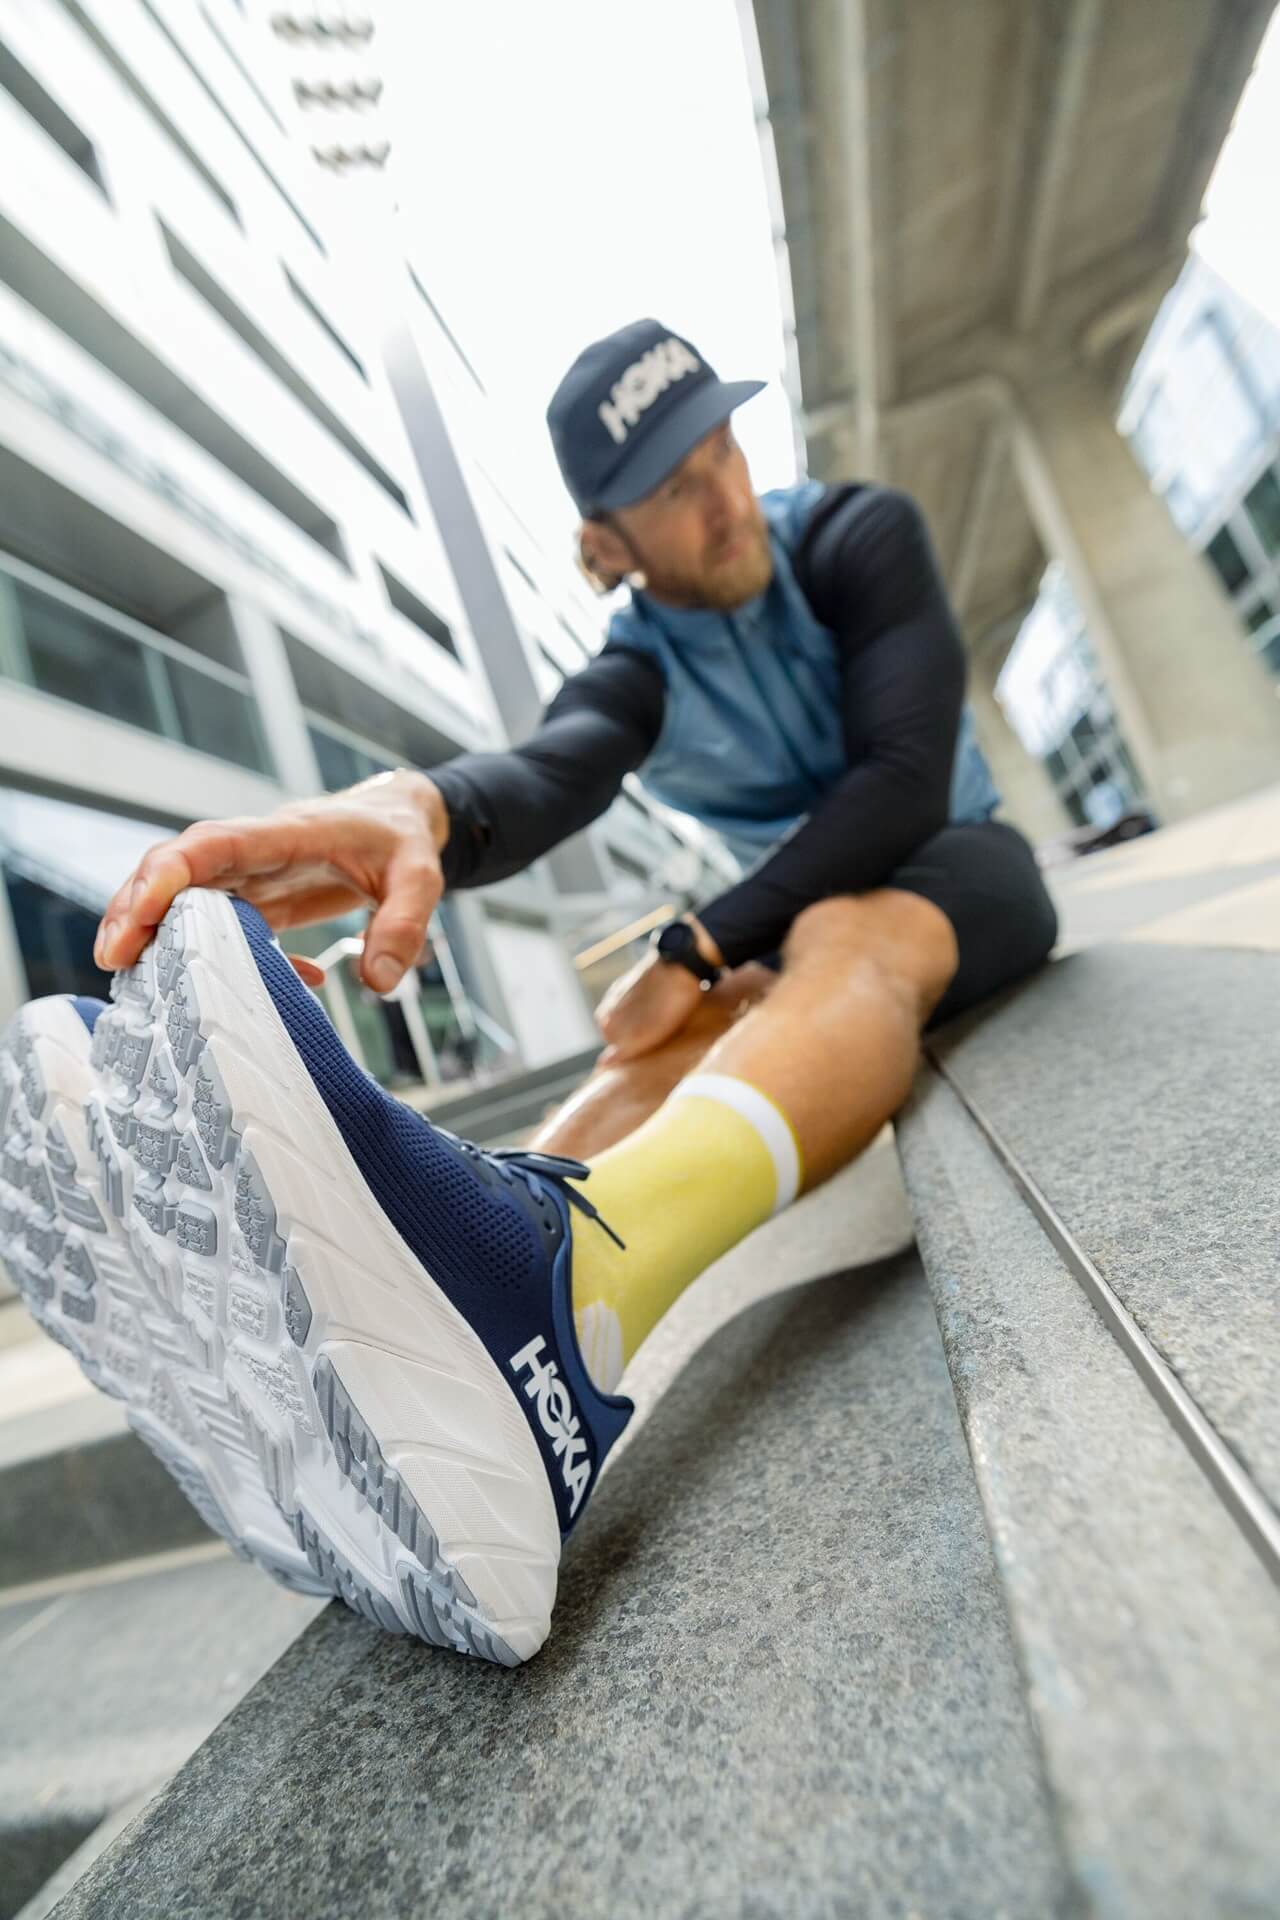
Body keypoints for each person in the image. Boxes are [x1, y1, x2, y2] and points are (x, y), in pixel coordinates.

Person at [0, 320, 1058, 1665]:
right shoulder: (639, 670)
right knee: (640, 1062)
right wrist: (417, 807)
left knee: (824, 938)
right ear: (608, 544)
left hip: (965, 877)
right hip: (792, 929)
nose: (723, 490)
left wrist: (693, 947)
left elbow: (902, 777)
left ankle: (563, 1284)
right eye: (675, 484)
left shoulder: (853, 537)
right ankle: (411, 1307)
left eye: (722, 445)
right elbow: (548, 770)